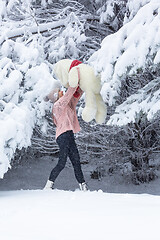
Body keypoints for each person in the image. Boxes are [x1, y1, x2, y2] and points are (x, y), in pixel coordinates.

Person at [43, 85, 88, 191]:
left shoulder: (66, 104)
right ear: (56, 96)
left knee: (76, 161)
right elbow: (69, 94)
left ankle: (83, 186)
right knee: (62, 162)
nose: (61, 92)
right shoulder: (58, 105)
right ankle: (48, 185)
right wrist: (74, 81)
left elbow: (75, 97)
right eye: (59, 92)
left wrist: (82, 86)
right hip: (62, 136)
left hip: (69, 134)